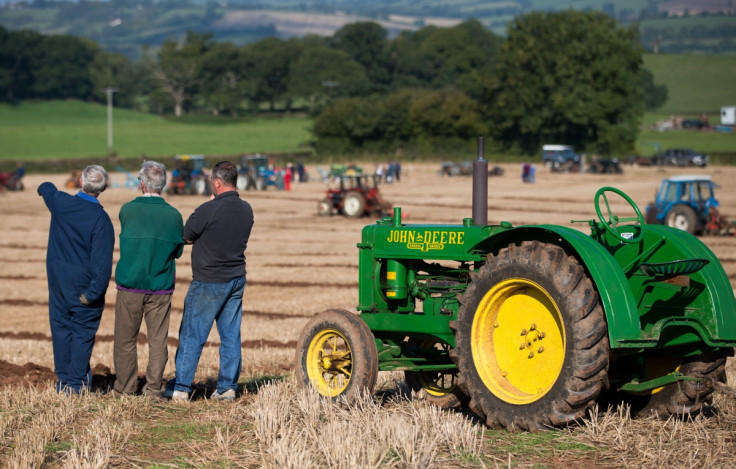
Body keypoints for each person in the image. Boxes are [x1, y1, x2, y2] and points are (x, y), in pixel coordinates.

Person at [166, 161, 254, 401]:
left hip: (208, 281)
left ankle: (181, 388)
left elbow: (185, 236)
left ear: (217, 181)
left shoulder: (208, 209)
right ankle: (227, 388)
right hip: (236, 279)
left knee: (192, 335)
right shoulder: (247, 209)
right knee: (230, 336)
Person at [38, 165, 115, 394]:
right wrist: (94, 294)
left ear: (80, 182)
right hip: (84, 287)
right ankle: (76, 384)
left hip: (59, 285)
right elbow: (102, 264)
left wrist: (45, 187)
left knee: (61, 330)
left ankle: (65, 381)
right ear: (103, 189)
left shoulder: (60, 203)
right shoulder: (101, 219)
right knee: (82, 333)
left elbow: (46, 188)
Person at [113, 161, 184, 399]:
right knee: (157, 342)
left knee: (125, 340)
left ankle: (124, 388)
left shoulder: (127, 210)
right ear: (163, 185)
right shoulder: (174, 215)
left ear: (141, 184)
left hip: (130, 285)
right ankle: (153, 390)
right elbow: (177, 251)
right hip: (160, 287)